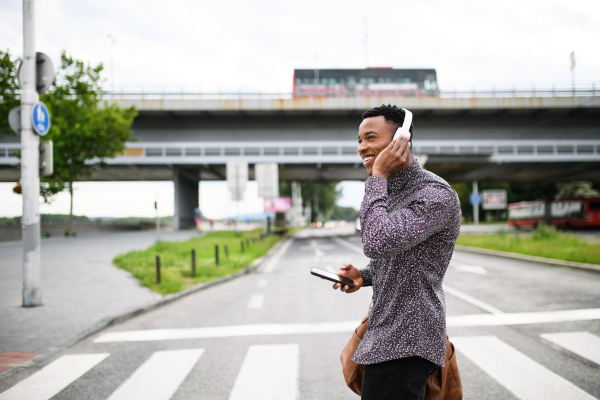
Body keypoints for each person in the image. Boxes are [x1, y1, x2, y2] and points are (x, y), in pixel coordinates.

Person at [333, 104, 462, 400]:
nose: (362, 147)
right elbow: (399, 259)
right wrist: (363, 276)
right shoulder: (391, 192)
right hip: (387, 334)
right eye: (359, 140)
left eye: (370, 138)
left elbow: (376, 242)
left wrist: (377, 176)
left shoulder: (434, 195)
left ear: (401, 139)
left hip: (407, 341)